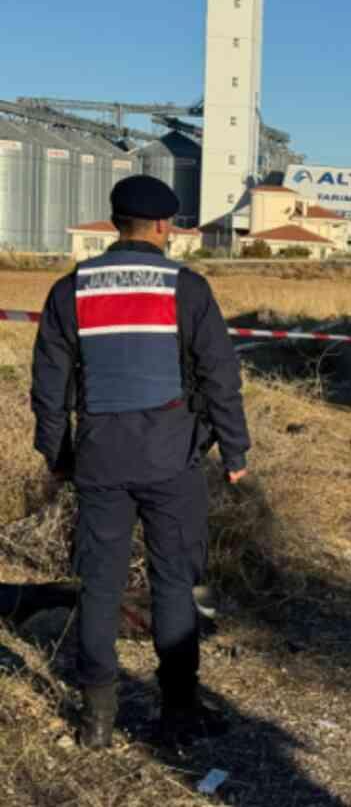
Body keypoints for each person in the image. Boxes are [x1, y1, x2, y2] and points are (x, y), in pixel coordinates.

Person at [30, 175, 251, 751]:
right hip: (171, 458)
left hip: (100, 458)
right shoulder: (188, 287)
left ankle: (96, 719)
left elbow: (49, 386)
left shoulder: (70, 289)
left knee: (99, 585)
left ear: (114, 222)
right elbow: (219, 376)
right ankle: (177, 715)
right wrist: (235, 451)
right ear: (161, 226)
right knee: (173, 583)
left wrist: (56, 455)